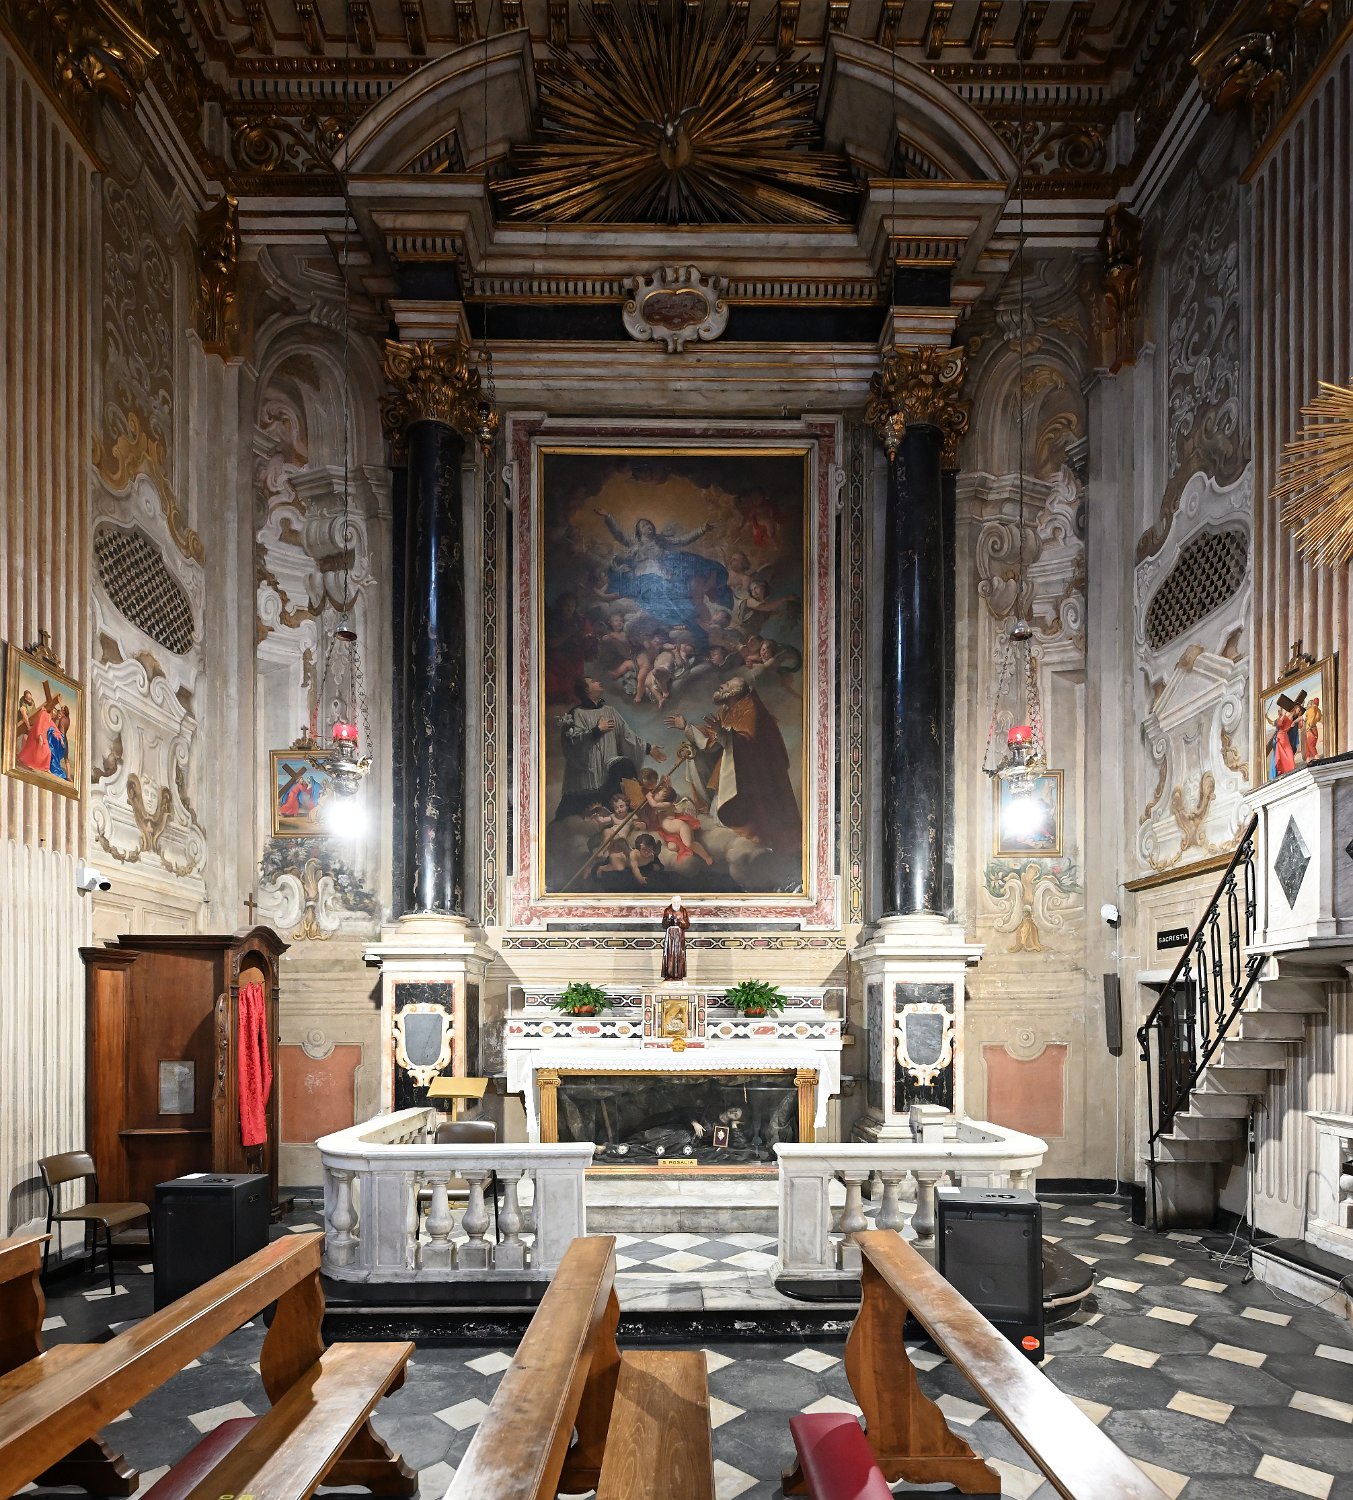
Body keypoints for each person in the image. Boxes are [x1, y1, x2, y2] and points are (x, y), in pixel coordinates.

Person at [667, 675, 801, 853]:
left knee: (728, 819)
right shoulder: (725, 711)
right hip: (731, 773)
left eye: (727, 685)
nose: (721, 685)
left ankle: (750, 843)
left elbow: (748, 745)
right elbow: (712, 742)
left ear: (735, 692)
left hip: (752, 780)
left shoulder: (751, 711)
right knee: (696, 756)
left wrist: (723, 734)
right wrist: (687, 727)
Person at [555, 676, 666, 820]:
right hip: (587, 774)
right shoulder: (577, 713)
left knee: (624, 766)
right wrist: (597, 730)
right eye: (593, 681)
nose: (598, 681)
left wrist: (649, 748)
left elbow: (626, 735)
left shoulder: (610, 711)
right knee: (575, 816)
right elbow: (572, 742)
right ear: (586, 690)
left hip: (608, 769)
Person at [661, 894, 689, 980]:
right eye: (674, 902)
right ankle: (669, 975)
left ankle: (679, 975)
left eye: (677, 902)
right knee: (669, 954)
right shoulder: (667, 911)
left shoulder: (683, 911)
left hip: (679, 935)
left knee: (679, 954)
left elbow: (687, 924)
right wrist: (669, 921)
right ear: (672, 902)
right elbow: (663, 924)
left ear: (680, 902)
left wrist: (681, 922)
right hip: (670, 935)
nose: (676, 903)